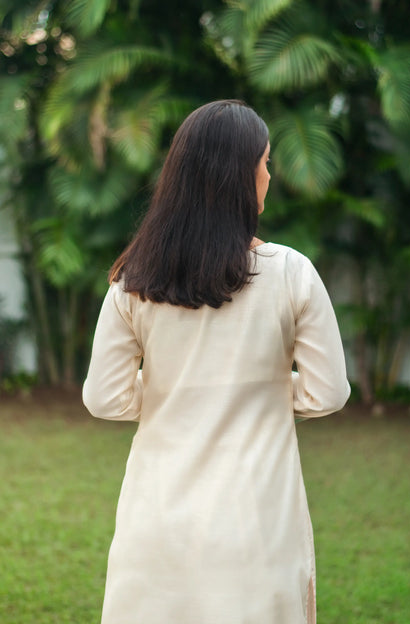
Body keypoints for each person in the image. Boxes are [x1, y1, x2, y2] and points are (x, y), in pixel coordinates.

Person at [83, 99, 350, 624]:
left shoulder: (132, 281)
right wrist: (260, 389)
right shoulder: (290, 273)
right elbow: (328, 391)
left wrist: (174, 388)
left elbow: (104, 398)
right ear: (241, 175)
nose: (269, 175)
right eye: (266, 162)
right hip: (258, 524)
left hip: (155, 524)